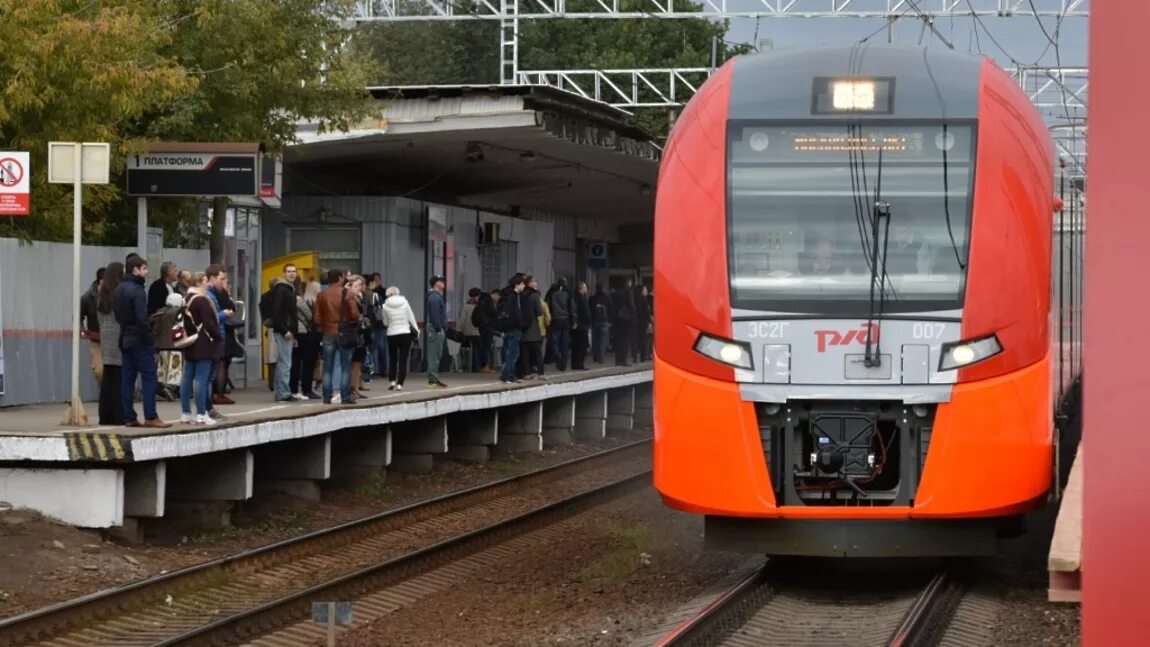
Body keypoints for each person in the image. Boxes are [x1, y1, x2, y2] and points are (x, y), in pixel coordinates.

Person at [113, 255, 171, 428]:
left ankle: (129, 417)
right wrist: (150, 339)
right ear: (135, 269)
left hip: (125, 337)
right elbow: (141, 318)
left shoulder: (119, 289)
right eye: (144, 268)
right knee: (149, 377)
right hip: (139, 339)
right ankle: (151, 416)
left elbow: (118, 315)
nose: (146, 272)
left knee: (127, 378)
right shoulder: (137, 291)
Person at [178, 272, 222, 425]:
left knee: (187, 378)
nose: (207, 284)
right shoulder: (202, 300)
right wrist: (218, 336)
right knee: (201, 379)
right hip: (204, 343)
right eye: (205, 281)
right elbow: (210, 323)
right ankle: (201, 414)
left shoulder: (186, 298)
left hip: (190, 342)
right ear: (198, 283)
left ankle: (185, 413)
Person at [313, 268, 358, 404]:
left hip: (328, 333)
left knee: (328, 366)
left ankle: (326, 397)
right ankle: (345, 396)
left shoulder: (321, 295)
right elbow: (355, 314)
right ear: (339, 278)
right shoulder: (347, 293)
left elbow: (317, 318)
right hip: (344, 332)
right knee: (345, 365)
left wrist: (326, 326)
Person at [95, 263, 123, 425]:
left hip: (106, 340)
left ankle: (105, 416)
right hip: (119, 340)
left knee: (108, 381)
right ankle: (118, 415)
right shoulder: (119, 294)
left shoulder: (102, 295)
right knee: (119, 380)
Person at [382, 286, 420, 390]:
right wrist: (417, 330)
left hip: (392, 334)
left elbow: (385, 322)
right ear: (398, 293)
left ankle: (392, 381)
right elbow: (411, 317)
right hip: (405, 333)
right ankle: (400, 384)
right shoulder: (405, 302)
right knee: (403, 359)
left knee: (393, 358)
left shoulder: (385, 305)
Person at [269, 269, 298, 403]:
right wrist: (284, 330)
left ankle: (281, 392)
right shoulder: (283, 289)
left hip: (287, 330)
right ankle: (283, 393)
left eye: (294, 271)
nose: (292, 274)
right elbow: (277, 311)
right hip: (284, 331)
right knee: (285, 363)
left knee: (283, 362)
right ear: (283, 274)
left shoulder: (288, 289)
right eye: (289, 271)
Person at [80, 267, 104, 385]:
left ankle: (110, 391)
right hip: (96, 339)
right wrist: (82, 330)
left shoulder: (114, 295)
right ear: (101, 281)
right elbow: (79, 316)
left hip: (112, 339)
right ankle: (104, 387)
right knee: (99, 370)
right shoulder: (87, 298)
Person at [425, 275, 448, 388]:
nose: (443, 282)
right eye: (440, 281)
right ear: (435, 283)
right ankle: (432, 379)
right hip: (435, 329)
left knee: (436, 354)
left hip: (435, 328)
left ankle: (433, 377)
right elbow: (435, 315)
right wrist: (439, 328)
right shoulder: (434, 298)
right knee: (434, 354)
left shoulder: (435, 297)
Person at [570, 281, 592, 370]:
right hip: (582, 325)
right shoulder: (582, 298)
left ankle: (574, 364)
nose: (587, 289)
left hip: (575, 325)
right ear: (582, 288)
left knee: (575, 346)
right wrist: (590, 320)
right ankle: (580, 364)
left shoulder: (573, 296)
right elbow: (586, 311)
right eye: (586, 288)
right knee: (582, 346)